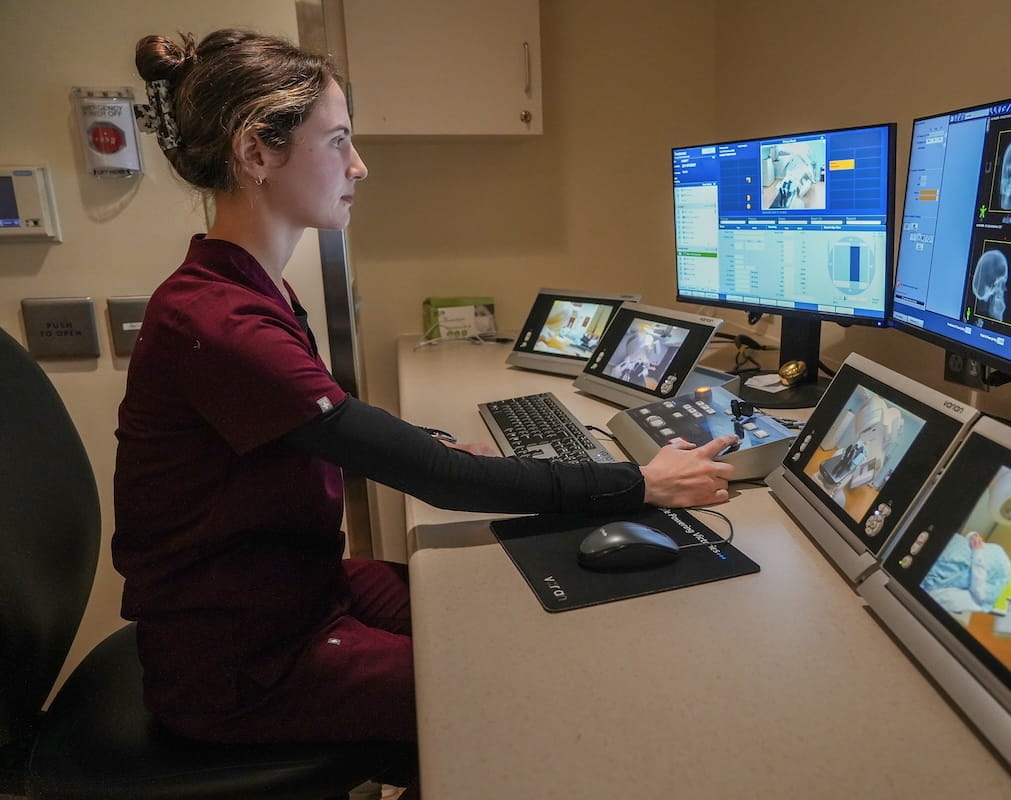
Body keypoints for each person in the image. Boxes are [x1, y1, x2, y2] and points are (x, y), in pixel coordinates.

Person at [114, 28, 737, 794]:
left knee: (503, 613)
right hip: (243, 662)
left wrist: (432, 443)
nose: (358, 165)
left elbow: (332, 421)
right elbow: (437, 480)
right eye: (338, 140)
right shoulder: (218, 322)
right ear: (256, 153)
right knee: (503, 698)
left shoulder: (246, 287)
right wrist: (642, 484)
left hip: (298, 589)